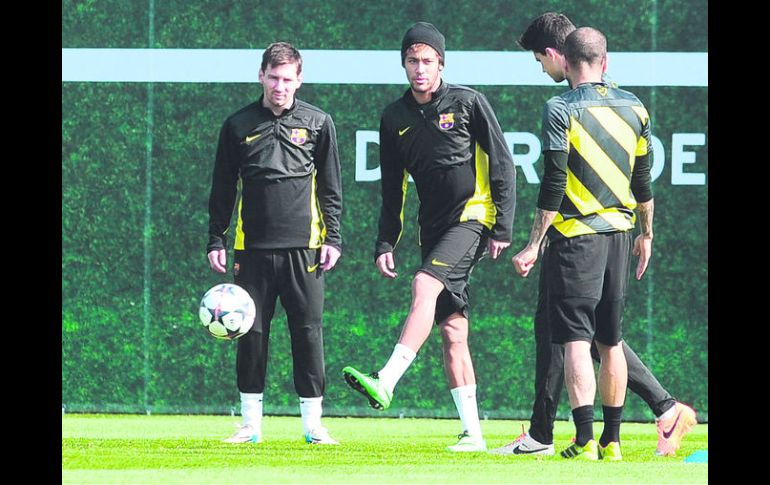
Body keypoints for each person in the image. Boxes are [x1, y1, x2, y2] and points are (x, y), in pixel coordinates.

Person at [490, 13, 696, 458]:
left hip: (574, 236)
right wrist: (647, 232)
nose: (542, 69)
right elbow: (643, 183)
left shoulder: (563, 108)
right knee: (599, 335)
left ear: (558, 56)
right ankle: (600, 436)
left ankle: (585, 434)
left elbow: (553, 184)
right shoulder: (633, 105)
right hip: (619, 233)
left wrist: (533, 243)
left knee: (575, 337)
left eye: (540, 61)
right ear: (604, 60)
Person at [342, 21, 516, 452]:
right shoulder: (394, 117)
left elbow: (503, 162)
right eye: (412, 61)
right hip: (433, 229)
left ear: (441, 63)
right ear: (403, 64)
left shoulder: (468, 102)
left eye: (427, 61)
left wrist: (503, 226)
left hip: (473, 217)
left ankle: (386, 379)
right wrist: (386, 241)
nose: (419, 69)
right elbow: (392, 186)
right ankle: (473, 435)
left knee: (424, 284)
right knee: (453, 332)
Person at [206, 42, 343, 445]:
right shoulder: (237, 124)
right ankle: (250, 425)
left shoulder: (319, 122)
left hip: (306, 248)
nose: (280, 86)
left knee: (308, 333)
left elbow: (331, 187)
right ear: (261, 76)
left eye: (287, 79)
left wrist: (333, 238)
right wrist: (216, 238)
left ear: (299, 80)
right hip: (252, 250)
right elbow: (222, 187)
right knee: (251, 335)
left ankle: (313, 425)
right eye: (273, 78)